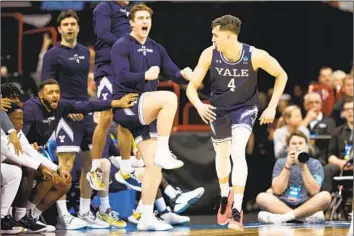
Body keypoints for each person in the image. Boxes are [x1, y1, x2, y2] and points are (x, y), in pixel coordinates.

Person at [186, 15, 288, 230]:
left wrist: (271, 107)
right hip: (218, 109)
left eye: (215, 35)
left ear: (229, 36)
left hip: (245, 108)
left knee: (237, 151)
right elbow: (191, 87)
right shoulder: (209, 54)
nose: (212, 38)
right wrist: (199, 105)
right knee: (222, 155)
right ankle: (225, 196)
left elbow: (281, 75)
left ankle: (237, 209)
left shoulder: (254, 55)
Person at [110, 3, 192, 231]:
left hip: (144, 111)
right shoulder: (121, 45)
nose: (145, 21)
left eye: (148, 18)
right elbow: (121, 76)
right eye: (141, 18)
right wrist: (143, 75)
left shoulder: (156, 47)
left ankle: (146, 216)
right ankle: (165, 150)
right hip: (127, 105)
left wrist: (185, 75)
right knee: (168, 98)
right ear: (132, 22)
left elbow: (173, 71)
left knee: (153, 165)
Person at [22, 79, 137, 229]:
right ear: (41, 94)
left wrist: (116, 103)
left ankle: (31, 216)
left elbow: (88, 105)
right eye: (50, 92)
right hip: (23, 152)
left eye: (57, 92)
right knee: (38, 174)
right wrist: (27, 146)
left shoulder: (61, 106)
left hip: (39, 153)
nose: (55, 95)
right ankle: (19, 215)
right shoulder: (31, 108)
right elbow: (18, 136)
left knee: (62, 181)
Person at [91, 1, 141, 191]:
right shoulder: (104, 7)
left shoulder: (130, 11)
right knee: (106, 116)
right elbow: (103, 34)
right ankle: (95, 168)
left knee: (125, 118)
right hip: (106, 69)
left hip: (124, 70)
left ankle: (126, 169)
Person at [256, 131, 332, 224]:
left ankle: (284, 218)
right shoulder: (280, 163)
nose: (297, 146)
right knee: (261, 197)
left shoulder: (315, 164)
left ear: (306, 146)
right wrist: (287, 166)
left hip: (306, 204)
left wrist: (303, 167)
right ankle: (302, 218)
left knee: (326, 196)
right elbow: (277, 190)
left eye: (300, 143)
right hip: (282, 203)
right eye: (293, 143)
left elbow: (314, 191)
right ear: (288, 147)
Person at [322, 100, 353, 193]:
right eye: (347, 109)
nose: (350, 111)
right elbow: (330, 156)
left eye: (352, 109)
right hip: (342, 164)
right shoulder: (337, 131)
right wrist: (341, 163)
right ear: (344, 113)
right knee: (327, 169)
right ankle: (325, 201)